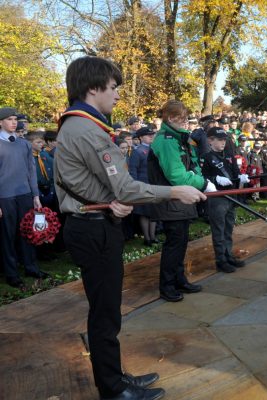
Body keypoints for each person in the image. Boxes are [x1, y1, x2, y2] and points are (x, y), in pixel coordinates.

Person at [54, 56, 205, 400]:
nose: (117, 96)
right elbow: (124, 186)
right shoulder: (86, 129)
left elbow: (89, 184)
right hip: (93, 231)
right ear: (93, 88)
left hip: (95, 221)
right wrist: (174, 191)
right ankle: (113, 389)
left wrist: (109, 201)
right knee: (105, 315)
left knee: (107, 312)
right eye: (113, 88)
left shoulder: (80, 126)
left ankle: (116, 378)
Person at [147, 100, 215, 303]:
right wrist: (203, 183)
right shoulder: (166, 140)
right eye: (182, 118)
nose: (186, 122)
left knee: (181, 242)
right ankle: (167, 286)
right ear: (170, 118)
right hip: (171, 199)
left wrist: (200, 179)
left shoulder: (178, 138)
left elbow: (192, 165)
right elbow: (176, 176)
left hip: (180, 199)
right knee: (174, 244)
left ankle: (179, 279)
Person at [0, 107, 48, 288]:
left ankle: (31, 266)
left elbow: (31, 171)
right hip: (4, 197)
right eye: (10, 119)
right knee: (8, 235)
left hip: (25, 195)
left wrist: (35, 195)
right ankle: (11, 273)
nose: (14, 122)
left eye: (15, 119)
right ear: (0, 122)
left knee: (28, 232)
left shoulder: (24, 144)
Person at [201, 127, 250, 272]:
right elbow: (201, 177)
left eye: (224, 140)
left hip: (231, 196)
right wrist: (215, 178)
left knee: (228, 229)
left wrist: (241, 177)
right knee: (219, 230)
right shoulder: (206, 157)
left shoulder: (229, 155)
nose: (223, 142)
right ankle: (220, 260)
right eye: (220, 140)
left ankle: (228, 255)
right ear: (210, 140)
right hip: (217, 198)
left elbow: (235, 172)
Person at [129, 127, 159, 246]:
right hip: (142, 184)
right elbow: (133, 170)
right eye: (148, 135)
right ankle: (147, 238)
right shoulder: (137, 151)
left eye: (152, 134)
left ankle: (153, 236)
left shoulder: (155, 149)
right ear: (141, 138)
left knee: (154, 211)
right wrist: (136, 186)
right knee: (144, 212)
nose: (151, 136)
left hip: (154, 184)